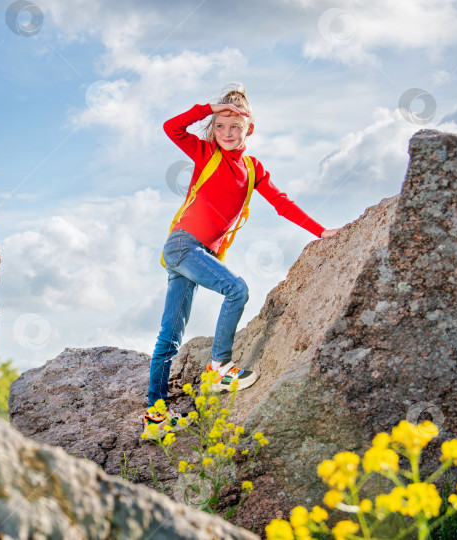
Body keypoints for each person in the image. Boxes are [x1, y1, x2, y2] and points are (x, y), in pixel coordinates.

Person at [143, 84, 340, 432]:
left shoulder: (252, 169)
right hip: (181, 245)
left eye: (236, 126)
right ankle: (218, 368)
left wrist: (320, 230)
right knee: (237, 289)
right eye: (220, 125)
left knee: (170, 335)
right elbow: (170, 127)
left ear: (250, 128)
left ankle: (156, 418)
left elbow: (282, 203)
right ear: (212, 127)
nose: (227, 133)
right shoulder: (206, 153)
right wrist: (208, 107)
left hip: (196, 254)